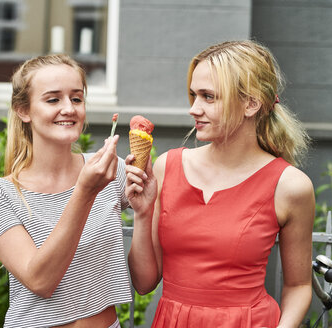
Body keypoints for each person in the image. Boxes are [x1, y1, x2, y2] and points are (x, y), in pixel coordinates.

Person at [125, 40, 315, 327]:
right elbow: (143, 283)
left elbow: (298, 286)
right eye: (193, 95)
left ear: (250, 104)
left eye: (208, 97)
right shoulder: (167, 166)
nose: (193, 108)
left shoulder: (289, 186)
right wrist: (141, 213)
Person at [0, 54, 132, 328]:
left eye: (76, 98)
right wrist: (84, 192)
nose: (69, 109)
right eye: (53, 99)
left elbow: (148, 274)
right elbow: (40, 281)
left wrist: (145, 210)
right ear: (23, 110)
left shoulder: (111, 170)